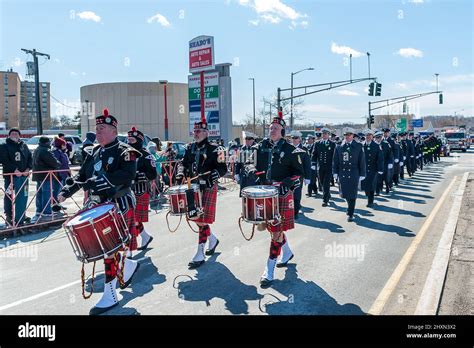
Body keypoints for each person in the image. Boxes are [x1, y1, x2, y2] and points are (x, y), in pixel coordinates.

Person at [58, 109, 141, 315]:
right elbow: (82, 176)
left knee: (108, 250)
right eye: (96, 128)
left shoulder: (125, 151)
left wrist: (102, 182)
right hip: (98, 206)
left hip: (118, 203)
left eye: (102, 128)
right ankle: (127, 266)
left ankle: (110, 293)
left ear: (113, 131)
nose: (98, 132)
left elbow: (128, 176)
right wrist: (66, 192)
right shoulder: (93, 152)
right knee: (109, 248)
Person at [250, 114, 304, 287]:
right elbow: (251, 163)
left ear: (282, 131)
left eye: (275, 128)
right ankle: (286, 252)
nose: (271, 130)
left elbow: (298, 173)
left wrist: (287, 183)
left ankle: (269, 269)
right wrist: (253, 172)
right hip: (265, 192)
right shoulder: (261, 146)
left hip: (281, 194)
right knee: (274, 228)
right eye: (270, 128)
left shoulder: (290, 149)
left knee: (275, 230)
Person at [175, 118, 227, 269]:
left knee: (202, 219)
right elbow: (183, 164)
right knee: (196, 218)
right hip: (193, 187)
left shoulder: (217, 149)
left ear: (206, 133)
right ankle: (212, 239)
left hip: (208, 187)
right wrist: (180, 174)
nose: (196, 133)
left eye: (199, 131)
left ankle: (200, 253)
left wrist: (215, 174)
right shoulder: (189, 147)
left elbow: (223, 168)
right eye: (194, 131)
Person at [127, 127, 157, 250]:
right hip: (128, 191)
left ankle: (130, 248)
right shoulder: (126, 154)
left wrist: (143, 175)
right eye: (128, 140)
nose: (129, 143)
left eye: (132, 140)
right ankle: (145, 236)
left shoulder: (146, 156)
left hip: (141, 190)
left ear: (139, 141)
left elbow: (153, 174)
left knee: (134, 219)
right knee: (133, 219)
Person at [0, 128, 32, 226]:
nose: (14, 135)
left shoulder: (24, 145)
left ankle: (21, 214)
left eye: (16, 133)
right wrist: (14, 170)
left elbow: (30, 158)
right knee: (9, 195)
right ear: (9, 135)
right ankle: (9, 215)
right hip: (10, 176)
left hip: (23, 176)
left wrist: (28, 169)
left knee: (23, 196)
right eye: (12, 133)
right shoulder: (4, 146)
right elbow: (4, 159)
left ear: (19, 135)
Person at [333, 128, 366, 222]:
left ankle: (350, 212)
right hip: (342, 173)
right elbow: (335, 161)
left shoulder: (359, 146)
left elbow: (362, 161)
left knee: (352, 193)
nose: (347, 137)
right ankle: (349, 207)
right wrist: (335, 172)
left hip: (354, 173)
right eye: (346, 135)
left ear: (353, 136)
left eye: (349, 135)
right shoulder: (339, 146)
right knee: (345, 194)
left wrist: (362, 173)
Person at [32, 136, 60, 222]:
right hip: (46, 175)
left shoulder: (37, 149)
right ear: (47, 142)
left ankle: (39, 210)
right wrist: (58, 163)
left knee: (40, 193)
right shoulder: (45, 151)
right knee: (47, 193)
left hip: (38, 175)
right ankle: (46, 211)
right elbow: (54, 163)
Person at [311, 127, 336, 207]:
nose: (324, 135)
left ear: (328, 135)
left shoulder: (332, 144)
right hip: (320, 167)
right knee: (321, 183)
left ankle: (325, 200)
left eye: (326, 134)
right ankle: (327, 194)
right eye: (323, 134)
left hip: (328, 167)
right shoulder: (317, 143)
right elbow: (314, 154)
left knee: (326, 184)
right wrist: (313, 163)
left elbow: (334, 156)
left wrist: (334, 166)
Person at [289, 130, 311, 219]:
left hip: (299, 176)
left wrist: (307, 177)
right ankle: (289, 210)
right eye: (292, 138)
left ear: (300, 139)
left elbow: (307, 164)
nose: (294, 140)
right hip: (288, 175)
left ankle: (295, 212)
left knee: (297, 193)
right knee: (288, 193)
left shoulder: (304, 150)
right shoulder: (287, 148)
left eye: (296, 138)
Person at [361, 129, 384, 207]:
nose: (368, 137)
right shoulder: (361, 145)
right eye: (366, 135)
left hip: (373, 169)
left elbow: (380, 158)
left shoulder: (376, 146)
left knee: (371, 185)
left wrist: (380, 169)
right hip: (363, 169)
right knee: (365, 185)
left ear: (372, 136)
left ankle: (370, 202)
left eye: (369, 135)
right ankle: (368, 196)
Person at [52, 137, 71, 207]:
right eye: (64, 145)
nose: (65, 146)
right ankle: (54, 204)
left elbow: (66, 163)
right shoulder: (56, 152)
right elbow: (56, 163)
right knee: (56, 190)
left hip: (64, 174)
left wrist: (68, 171)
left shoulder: (63, 153)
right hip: (58, 175)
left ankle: (58, 203)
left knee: (60, 191)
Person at [376, 131, 393, 195]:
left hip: (385, 163)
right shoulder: (375, 144)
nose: (378, 139)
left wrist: (390, 162)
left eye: (380, 137)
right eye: (377, 137)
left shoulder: (386, 144)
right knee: (377, 178)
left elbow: (390, 154)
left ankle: (387, 188)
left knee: (385, 177)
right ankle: (378, 191)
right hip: (377, 164)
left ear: (382, 137)